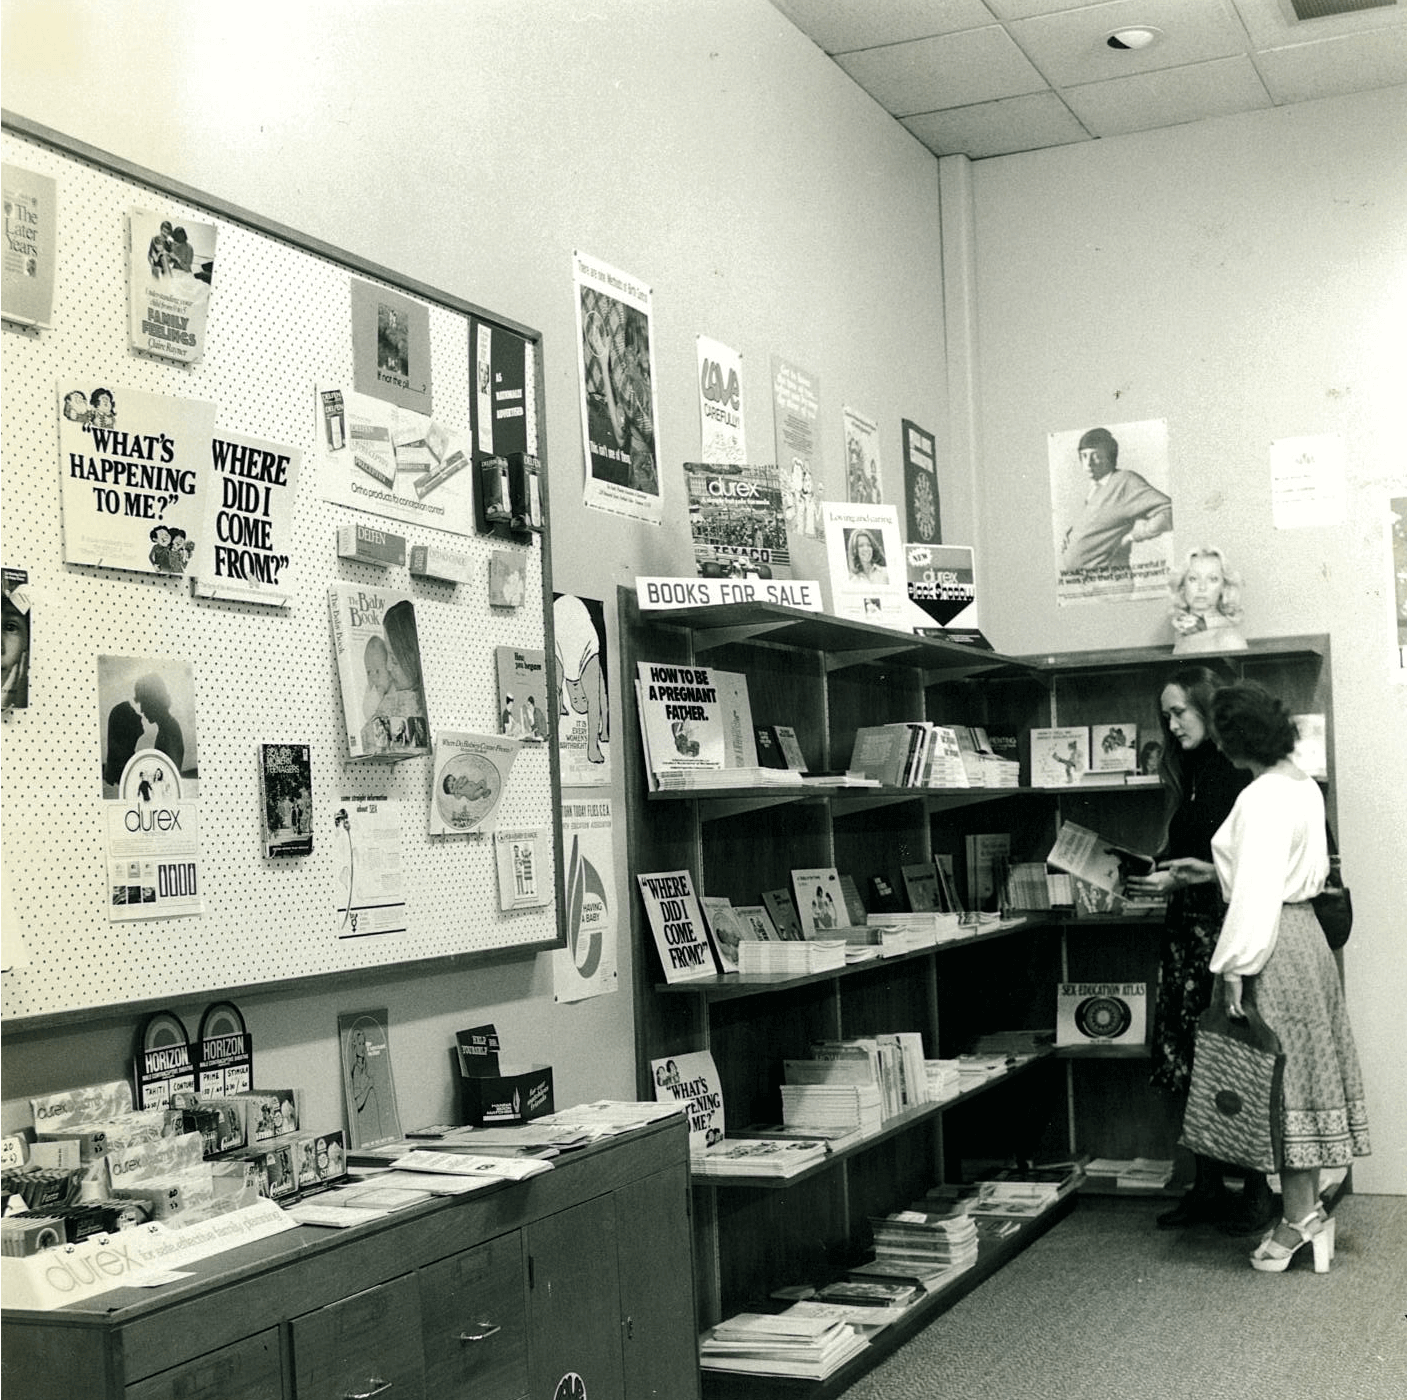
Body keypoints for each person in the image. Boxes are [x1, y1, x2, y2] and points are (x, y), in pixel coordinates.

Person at [1203, 682, 1369, 1273]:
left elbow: (1254, 892)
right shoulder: (1300, 783)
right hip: (1307, 941)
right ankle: (1305, 1212)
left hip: (1275, 942)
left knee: (1284, 1084)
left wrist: (1234, 969)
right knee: (1299, 1077)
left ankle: (1299, 1219)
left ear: (1231, 738)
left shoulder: (1262, 797)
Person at [1123, 664, 1270, 1233]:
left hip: (1227, 934)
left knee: (1237, 1059)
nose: (1171, 723)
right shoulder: (1190, 772)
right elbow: (1190, 853)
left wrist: (1193, 876)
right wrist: (1148, 873)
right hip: (1187, 935)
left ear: (1209, 709)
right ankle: (1207, 1185)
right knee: (1192, 1063)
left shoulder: (1239, 773)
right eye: (1165, 714)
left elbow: (1248, 868)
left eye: (1180, 711)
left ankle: (1255, 1190)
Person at [1059, 426, 1172, 573]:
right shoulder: (1095, 486)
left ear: (1109, 456)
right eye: (1084, 456)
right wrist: (1072, 534)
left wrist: (1133, 536)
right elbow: (1101, 523)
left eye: (1095, 455)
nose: (1088, 463)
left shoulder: (1125, 481)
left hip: (1109, 584)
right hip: (1085, 583)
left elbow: (1170, 512)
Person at [1170, 545, 1247, 653]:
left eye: (1212, 579)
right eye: (1193, 578)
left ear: (1223, 588)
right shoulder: (1181, 636)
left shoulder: (1230, 640)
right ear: (1182, 586)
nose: (1202, 587)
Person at [134, 672, 184, 773]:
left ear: (155, 700)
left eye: (144, 703)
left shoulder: (169, 729)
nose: (142, 710)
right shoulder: (167, 727)